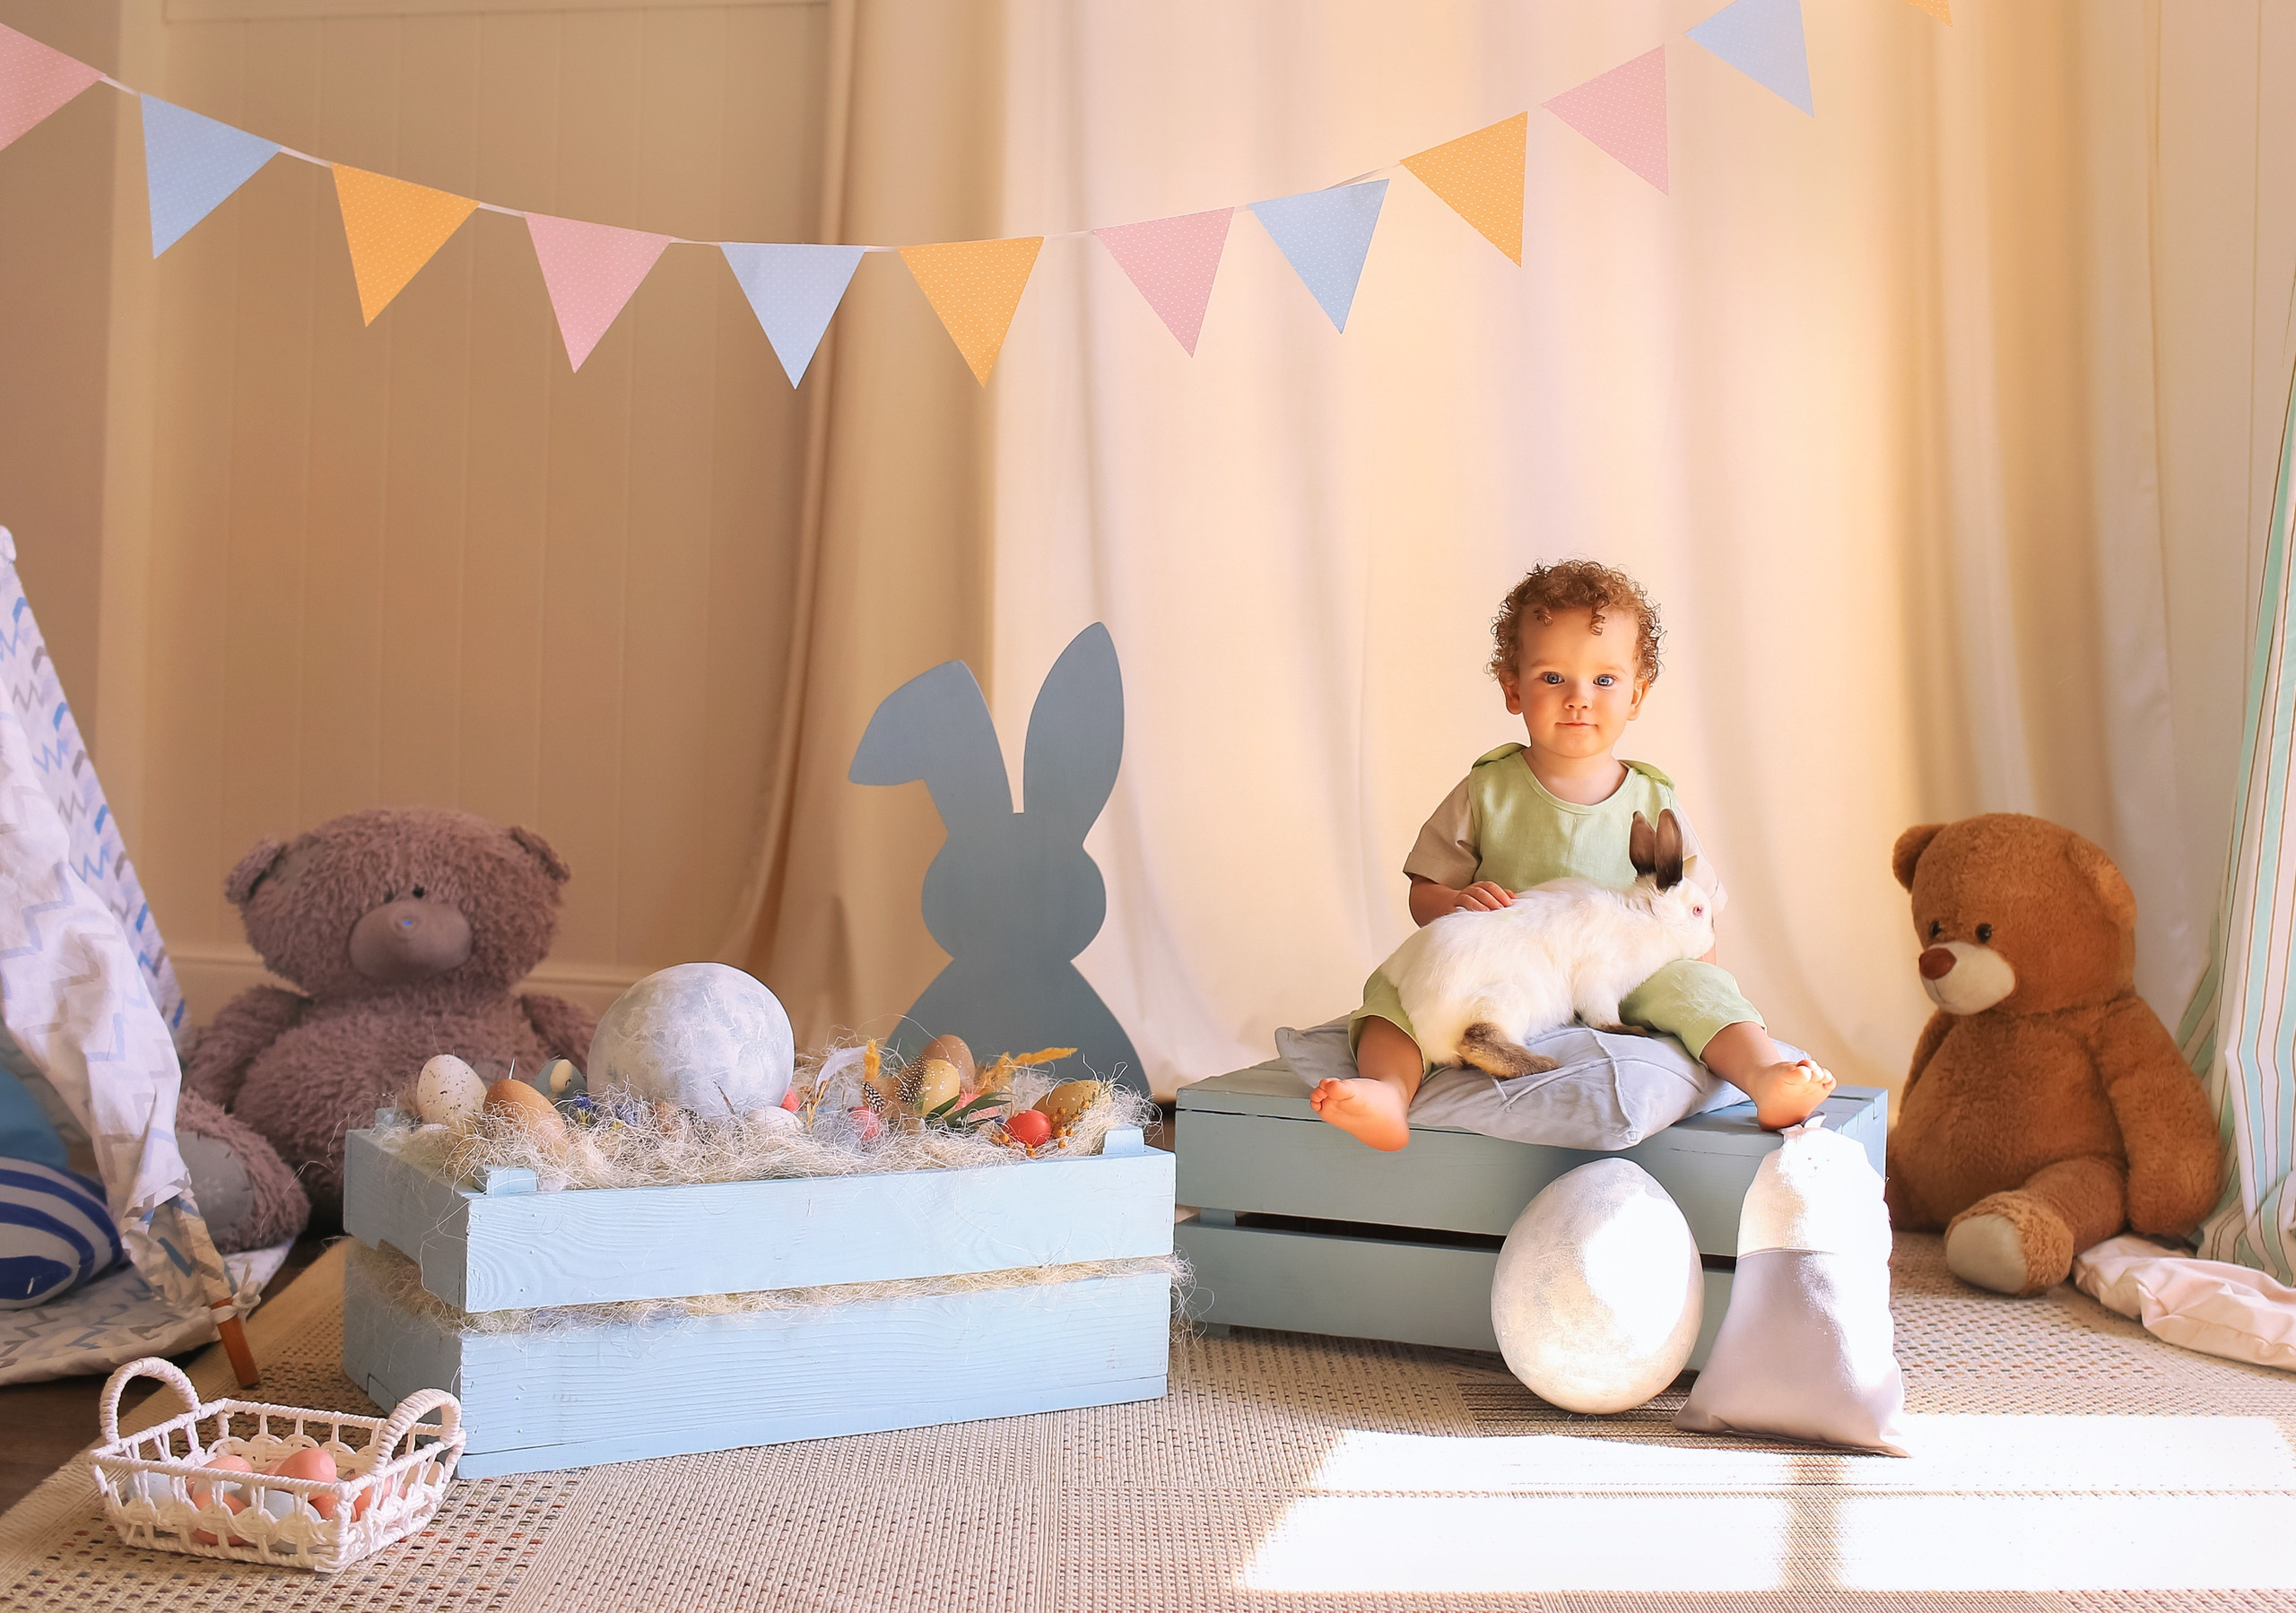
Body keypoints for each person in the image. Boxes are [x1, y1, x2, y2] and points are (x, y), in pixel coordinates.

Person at [1311, 559, 1835, 1150]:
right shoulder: (1488, 789)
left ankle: (1766, 1076)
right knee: (1393, 993)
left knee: (1708, 992)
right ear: (1514, 688)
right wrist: (1455, 900)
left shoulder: (1652, 797)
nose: (1579, 699)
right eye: (1554, 678)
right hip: (1513, 966)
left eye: (1604, 681)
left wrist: (1699, 976)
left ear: (1636, 694)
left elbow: (1697, 908)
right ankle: (1387, 1090)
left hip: (1626, 975)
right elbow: (1424, 891)